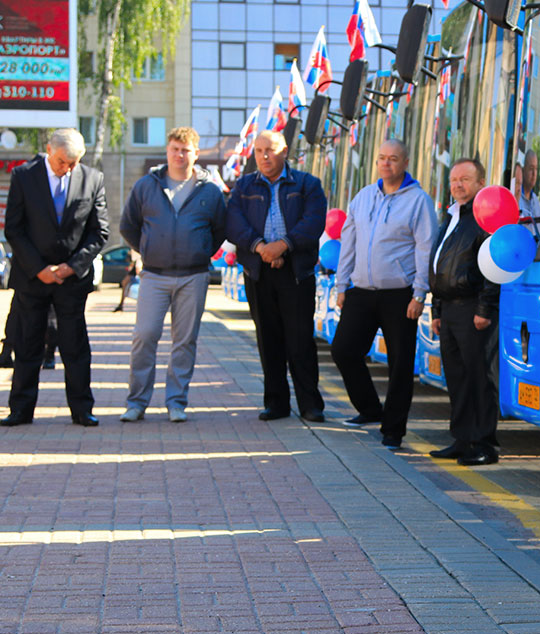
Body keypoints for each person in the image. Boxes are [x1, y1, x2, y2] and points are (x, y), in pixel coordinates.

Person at [118, 127, 228, 423]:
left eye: (186, 150)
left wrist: (201, 250)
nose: (180, 155)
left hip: (194, 276)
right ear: (167, 151)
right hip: (154, 275)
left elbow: (219, 229)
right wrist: (148, 250)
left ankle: (176, 402)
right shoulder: (146, 186)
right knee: (144, 335)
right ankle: (137, 402)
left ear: (196, 153)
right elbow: (128, 225)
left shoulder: (210, 191)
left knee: (185, 341)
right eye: (175, 149)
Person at [333, 139, 437, 449]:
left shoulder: (418, 201)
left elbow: (425, 248)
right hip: (361, 292)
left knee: (400, 364)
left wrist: (419, 294)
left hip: (400, 296)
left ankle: (393, 430)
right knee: (343, 350)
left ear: (405, 162)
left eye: (393, 159)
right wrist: (341, 286)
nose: (386, 163)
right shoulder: (363, 197)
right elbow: (348, 243)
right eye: (381, 158)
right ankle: (369, 409)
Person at [1, 128, 109, 427]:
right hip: (32, 278)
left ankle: (82, 409)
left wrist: (71, 266)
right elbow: (14, 228)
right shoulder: (24, 176)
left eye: (74, 162)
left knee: (75, 347)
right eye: (63, 162)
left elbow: (99, 232)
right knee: (27, 344)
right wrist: (39, 269)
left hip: (72, 280)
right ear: (49, 150)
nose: (69, 168)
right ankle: (20, 410)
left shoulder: (92, 179)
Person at [226, 129, 327, 423]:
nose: (264, 156)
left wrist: (283, 246)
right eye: (258, 151)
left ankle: (311, 404)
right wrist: (262, 249)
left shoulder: (307, 184)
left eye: (269, 150)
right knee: (268, 340)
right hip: (259, 272)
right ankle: (276, 403)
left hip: (296, 272)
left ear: (285, 151)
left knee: (300, 341)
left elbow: (313, 222)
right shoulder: (244, 187)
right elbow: (234, 224)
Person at [426, 158, 501, 465]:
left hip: (474, 309)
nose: (457, 185)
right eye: (454, 179)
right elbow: (440, 266)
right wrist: (436, 309)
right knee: (456, 376)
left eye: (465, 180)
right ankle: (461, 439)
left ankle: (484, 444)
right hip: (450, 309)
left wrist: (485, 308)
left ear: (480, 183)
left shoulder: (484, 217)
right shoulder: (451, 216)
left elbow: (493, 266)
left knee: (480, 377)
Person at [516, 150, 540, 235]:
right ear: (523, 170)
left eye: (536, 169)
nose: (534, 174)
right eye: (531, 169)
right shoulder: (517, 197)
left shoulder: (536, 200)